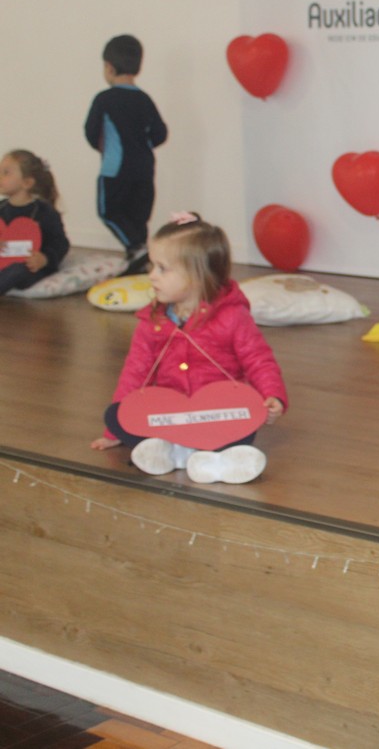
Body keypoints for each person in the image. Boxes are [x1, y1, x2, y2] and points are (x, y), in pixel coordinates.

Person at [90, 213, 287, 485]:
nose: (152, 276)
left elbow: (258, 360)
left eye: (163, 269)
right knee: (115, 415)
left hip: (215, 412)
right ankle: (189, 453)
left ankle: (191, 454)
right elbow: (135, 372)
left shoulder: (232, 316)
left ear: (196, 276)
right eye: (152, 266)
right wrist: (114, 432)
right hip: (171, 413)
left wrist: (272, 395)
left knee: (245, 422)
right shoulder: (153, 320)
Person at [85, 34, 168, 275]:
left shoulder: (104, 99)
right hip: (144, 170)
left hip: (115, 170)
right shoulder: (144, 99)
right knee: (137, 218)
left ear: (109, 67)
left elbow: (91, 132)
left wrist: (103, 147)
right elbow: (160, 133)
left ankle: (137, 249)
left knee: (108, 211)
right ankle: (140, 264)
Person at [0, 149, 69, 295]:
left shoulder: (45, 212)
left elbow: (60, 243)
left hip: (30, 267)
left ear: (27, 183)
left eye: (6, 173)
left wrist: (45, 259)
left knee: (17, 269)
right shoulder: (1, 208)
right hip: (2, 261)